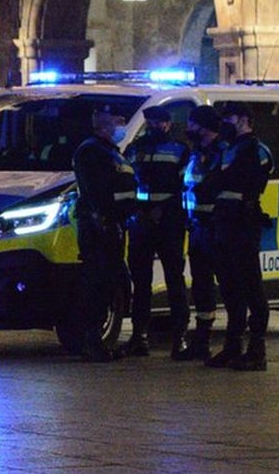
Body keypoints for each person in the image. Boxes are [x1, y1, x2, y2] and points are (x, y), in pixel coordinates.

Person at [208, 101, 274, 371]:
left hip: (244, 224)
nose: (225, 122)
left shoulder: (256, 149)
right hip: (224, 223)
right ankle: (233, 345)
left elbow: (245, 180)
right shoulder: (229, 149)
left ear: (244, 119)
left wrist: (219, 181)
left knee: (251, 286)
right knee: (230, 287)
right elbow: (213, 181)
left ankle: (257, 350)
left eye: (229, 117)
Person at [122, 105, 190, 357]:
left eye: (158, 122)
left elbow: (184, 187)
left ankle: (180, 337)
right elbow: (126, 181)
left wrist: (163, 209)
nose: (153, 126)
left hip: (169, 221)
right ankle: (139, 336)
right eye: (149, 122)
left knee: (174, 280)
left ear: (167, 124)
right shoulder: (134, 149)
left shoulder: (179, 150)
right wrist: (137, 210)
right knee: (140, 282)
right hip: (141, 221)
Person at [72, 105, 136, 362]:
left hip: (112, 224)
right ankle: (91, 341)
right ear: (104, 125)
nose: (122, 126)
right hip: (100, 227)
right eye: (118, 121)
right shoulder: (92, 151)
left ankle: (95, 340)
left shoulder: (110, 151)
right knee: (97, 284)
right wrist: (105, 219)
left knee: (107, 282)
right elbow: (96, 192)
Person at [176, 105, 228, 361]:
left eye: (192, 124)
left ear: (205, 127)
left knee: (228, 284)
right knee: (201, 286)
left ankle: (233, 343)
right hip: (198, 228)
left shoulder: (223, 153)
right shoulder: (196, 153)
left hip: (217, 229)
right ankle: (202, 340)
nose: (188, 128)